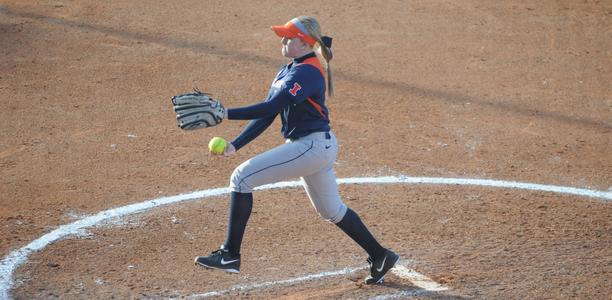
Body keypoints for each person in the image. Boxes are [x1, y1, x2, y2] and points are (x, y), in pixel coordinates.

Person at [194, 16, 399, 284]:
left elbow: (269, 108)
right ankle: (380, 255)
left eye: (288, 37)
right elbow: (269, 113)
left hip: (311, 146)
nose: (283, 40)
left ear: (303, 43)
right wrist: (236, 144)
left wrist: (224, 113)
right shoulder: (289, 69)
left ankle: (229, 255)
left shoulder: (307, 73)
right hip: (316, 146)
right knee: (331, 211)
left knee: (241, 179)